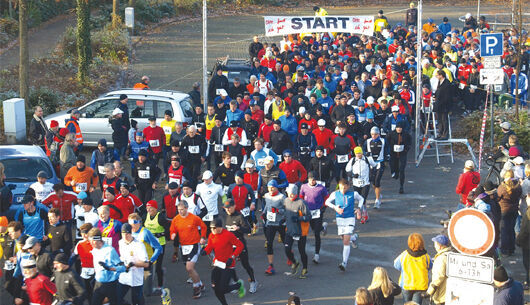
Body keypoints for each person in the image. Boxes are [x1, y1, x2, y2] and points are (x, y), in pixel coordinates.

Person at [202, 218, 246, 304]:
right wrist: (205, 251)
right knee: (215, 288)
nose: (212, 230)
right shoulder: (211, 235)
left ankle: (239, 285)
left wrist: (232, 257)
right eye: (211, 228)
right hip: (217, 264)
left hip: (228, 265)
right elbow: (210, 247)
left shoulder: (228, 235)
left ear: (220, 227)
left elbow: (240, 246)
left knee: (223, 289)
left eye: (214, 228)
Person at [169, 200, 207, 299]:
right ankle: (200, 283)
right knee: (189, 269)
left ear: (186, 208)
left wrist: (203, 237)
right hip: (183, 246)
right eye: (178, 210)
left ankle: (196, 288)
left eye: (182, 209)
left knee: (189, 267)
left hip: (194, 244)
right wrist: (172, 234)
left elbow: (203, 227)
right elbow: (172, 229)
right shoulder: (176, 219)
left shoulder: (194, 218)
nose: (180, 211)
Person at [325, 179, 364, 271]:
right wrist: (335, 207)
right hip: (340, 219)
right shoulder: (335, 194)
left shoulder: (353, 194)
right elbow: (327, 202)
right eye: (341, 188)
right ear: (339, 185)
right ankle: (353, 238)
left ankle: (344, 263)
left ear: (348, 187)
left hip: (350, 218)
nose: (343, 190)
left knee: (345, 241)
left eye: (345, 188)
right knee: (344, 238)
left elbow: (361, 199)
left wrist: (358, 208)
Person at [222, 199, 258, 293]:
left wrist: (239, 228)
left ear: (234, 206)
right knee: (230, 265)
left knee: (245, 264)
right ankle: (236, 283)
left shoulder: (239, 216)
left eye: (229, 208)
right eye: (226, 208)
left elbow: (249, 229)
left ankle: (253, 281)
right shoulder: (226, 216)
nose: (228, 210)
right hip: (230, 245)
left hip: (240, 244)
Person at [88, 227, 126, 305]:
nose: (90, 244)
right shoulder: (94, 250)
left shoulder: (110, 250)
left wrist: (110, 268)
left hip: (111, 285)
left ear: (98, 240)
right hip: (98, 283)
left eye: (92, 242)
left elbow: (123, 268)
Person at [394, 233, 432, 305]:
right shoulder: (426, 256)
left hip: (407, 285)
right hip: (420, 286)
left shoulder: (405, 255)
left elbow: (396, 265)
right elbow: (430, 266)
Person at [299, 171, 328, 264]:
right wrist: (301, 207)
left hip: (318, 212)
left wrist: (324, 206)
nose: (312, 181)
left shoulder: (321, 188)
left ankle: (316, 255)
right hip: (308, 212)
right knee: (314, 229)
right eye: (311, 179)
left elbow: (326, 197)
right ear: (308, 179)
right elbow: (301, 197)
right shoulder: (304, 187)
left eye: (314, 179)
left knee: (316, 233)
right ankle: (323, 227)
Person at [118, 223, 149, 305]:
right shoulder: (120, 242)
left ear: (131, 232)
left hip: (135, 278)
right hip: (124, 278)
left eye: (127, 234)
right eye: (123, 234)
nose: (125, 236)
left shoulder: (139, 245)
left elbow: (146, 264)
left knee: (136, 301)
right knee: (117, 299)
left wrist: (133, 264)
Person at [283, 184, 310, 279]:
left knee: (302, 251)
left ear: (296, 193)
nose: (291, 196)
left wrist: (299, 218)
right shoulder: (286, 201)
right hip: (289, 230)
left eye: (292, 194)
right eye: (289, 194)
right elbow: (285, 212)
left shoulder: (301, 203)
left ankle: (305, 268)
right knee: (287, 249)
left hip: (301, 231)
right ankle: (295, 262)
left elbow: (308, 217)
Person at [143, 200, 169, 293]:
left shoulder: (160, 217)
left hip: (159, 244)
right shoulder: (145, 216)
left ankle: (160, 285)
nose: (149, 210)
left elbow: (168, 229)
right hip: (149, 244)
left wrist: (161, 234)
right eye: (147, 208)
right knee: (148, 264)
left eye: (151, 208)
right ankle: (148, 285)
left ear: (155, 208)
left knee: (157, 266)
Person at [497, 169, 522, 256]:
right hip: (514, 210)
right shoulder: (518, 186)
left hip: (504, 210)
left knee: (504, 231)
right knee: (511, 230)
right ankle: (511, 248)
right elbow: (520, 194)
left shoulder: (502, 187)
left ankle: (504, 250)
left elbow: (498, 198)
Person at [364, 127, 388, 209]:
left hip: (380, 162)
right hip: (371, 163)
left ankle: (377, 200)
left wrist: (387, 158)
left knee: (377, 181)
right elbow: (363, 150)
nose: (374, 136)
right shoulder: (367, 141)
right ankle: (378, 194)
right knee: (373, 182)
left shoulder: (383, 141)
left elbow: (387, 150)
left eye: (375, 134)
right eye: (372, 134)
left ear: (378, 134)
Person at [426, 235, 452, 305]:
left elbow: (439, 277)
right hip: (450, 292)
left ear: (440, 246)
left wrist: (429, 292)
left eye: (435, 244)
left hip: (442, 294)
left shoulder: (441, 258)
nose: (434, 246)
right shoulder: (450, 255)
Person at [388, 121, 412, 194]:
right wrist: (391, 148)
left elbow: (410, 142)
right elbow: (387, 141)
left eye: (400, 128)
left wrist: (406, 149)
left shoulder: (406, 134)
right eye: (398, 128)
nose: (399, 129)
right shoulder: (391, 134)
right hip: (393, 154)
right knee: (393, 166)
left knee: (402, 169)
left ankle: (401, 186)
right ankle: (395, 172)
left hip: (402, 154)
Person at [73, 223, 95, 300]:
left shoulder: (95, 243)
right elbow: (74, 257)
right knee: (89, 292)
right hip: (86, 271)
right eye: (82, 233)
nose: (84, 235)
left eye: (86, 233)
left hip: (96, 272)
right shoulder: (79, 244)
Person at [433, 70, 451, 139]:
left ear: (441, 75)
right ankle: (440, 133)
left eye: (437, 75)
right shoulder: (439, 82)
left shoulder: (447, 83)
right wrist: (435, 96)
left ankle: (445, 134)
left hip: (444, 105)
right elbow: (438, 91)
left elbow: (447, 96)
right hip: (438, 104)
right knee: (439, 120)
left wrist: (440, 101)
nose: (436, 76)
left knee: (444, 120)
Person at [516, 201, 530, 290]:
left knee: (528, 264)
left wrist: (519, 241)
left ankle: (528, 282)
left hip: (528, 244)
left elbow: (525, 229)